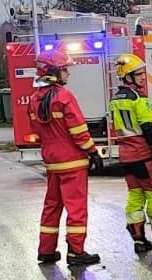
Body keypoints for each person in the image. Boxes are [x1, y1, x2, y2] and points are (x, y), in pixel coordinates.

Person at [31, 47, 101, 267]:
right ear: (53, 71)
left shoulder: (34, 99)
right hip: (73, 161)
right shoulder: (64, 96)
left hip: (52, 162)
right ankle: (76, 251)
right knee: (76, 207)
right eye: (64, 69)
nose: (68, 73)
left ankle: (46, 250)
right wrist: (92, 152)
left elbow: (38, 130)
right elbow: (78, 130)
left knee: (52, 205)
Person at [109, 53, 152, 254]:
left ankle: (139, 240)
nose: (142, 78)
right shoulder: (139, 99)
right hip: (143, 155)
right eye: (138, 74)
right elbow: (148, 128)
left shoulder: (116, 99)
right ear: (128, 77)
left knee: (135, 196)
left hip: (126, 156)